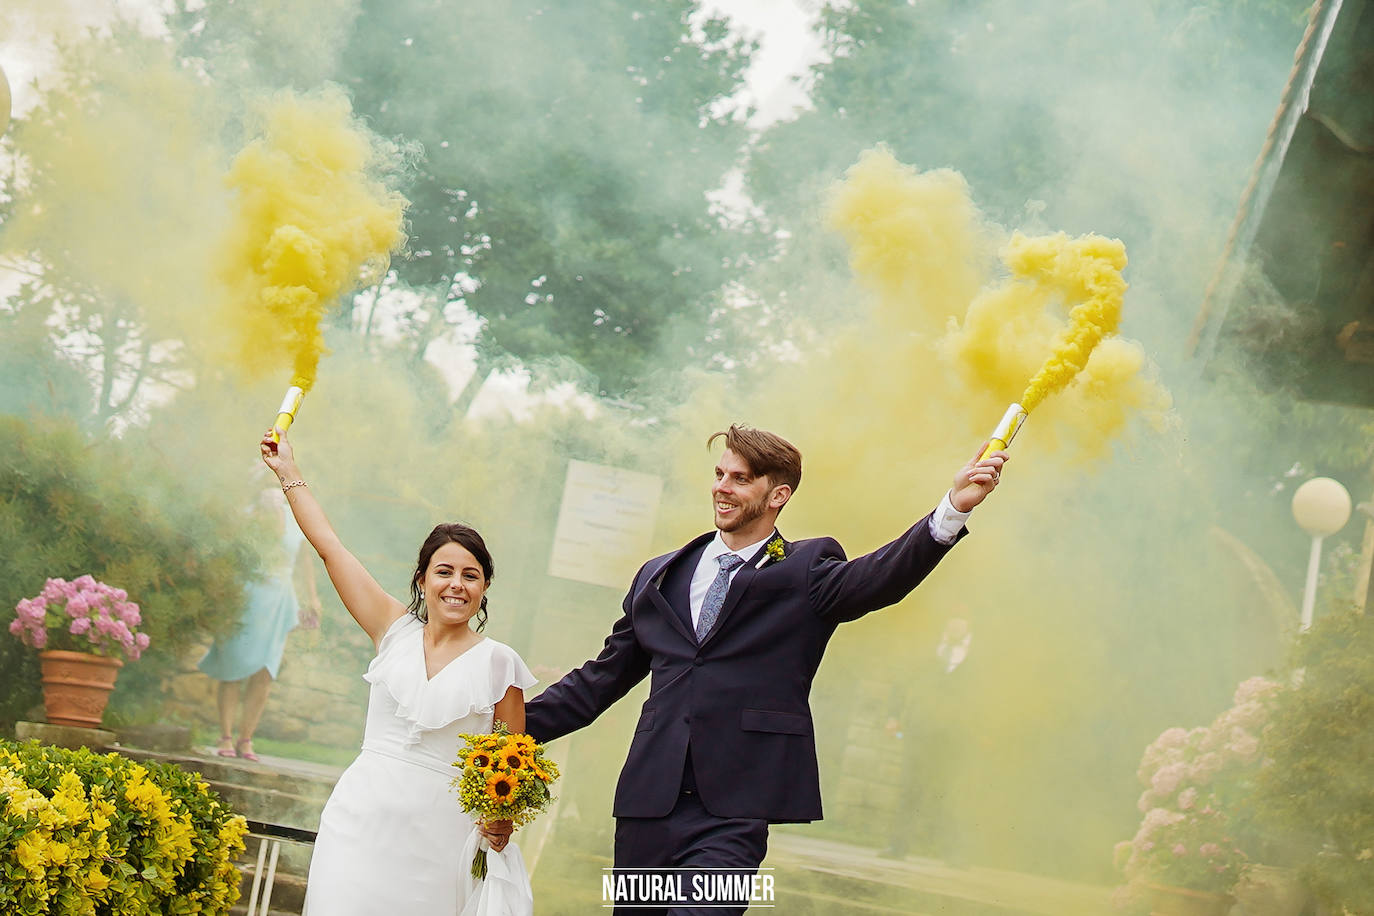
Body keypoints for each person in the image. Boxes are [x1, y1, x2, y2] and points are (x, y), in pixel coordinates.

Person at [523, 424, 1007, 914]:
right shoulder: (658, 576)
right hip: (646, 805)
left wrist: (953, 509)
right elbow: (598, 681)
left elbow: (880, 577)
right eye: (719, 474)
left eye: (740, 478)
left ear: (778, 494)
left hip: (734, 812)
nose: (721, 487)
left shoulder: (806, 569)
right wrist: (507, 728)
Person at [260, 427, 536, 916]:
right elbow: (331, 549)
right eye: (444, 571)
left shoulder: (500, 664)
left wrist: (501, 819)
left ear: (485, 587)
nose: (456, 584)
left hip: (439, 841)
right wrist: (289, 473)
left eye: (470, 575)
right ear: (422, 578)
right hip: (358, 825)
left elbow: (510, 769)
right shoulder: (391, 630)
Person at [199, 486, 322, 762]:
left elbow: (305, 561)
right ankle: (225, 736)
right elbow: (227, 553)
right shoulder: (247, 515)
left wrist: (312, 598)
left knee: (265, 671)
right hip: (243, 596)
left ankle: (246, 739)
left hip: (279, 601)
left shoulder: (297, 518)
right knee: (233, 666)